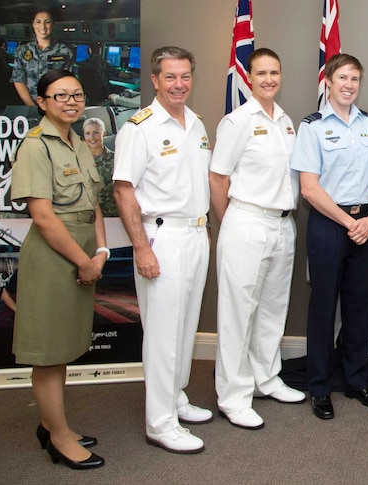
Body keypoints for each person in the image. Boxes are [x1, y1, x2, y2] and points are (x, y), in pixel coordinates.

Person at [113, 46, 212, 454]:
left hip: (196, 234)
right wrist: (141, 249)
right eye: (170, 77)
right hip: (162, 238)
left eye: (185, 76)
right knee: (161, 333)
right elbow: (123, 190)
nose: (179, 84)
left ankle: (174, 396)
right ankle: (159, 422)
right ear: (154, 80)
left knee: (185, 326)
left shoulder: (197, 124)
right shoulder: (140, 128)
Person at [11, 69, 106, 469]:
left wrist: (100, 251)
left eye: (77, 94)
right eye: (60, 95)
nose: (70, 101)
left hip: (84, 253)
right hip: (55, 258)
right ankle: (59, 437)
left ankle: (51, 423)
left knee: (63, 347)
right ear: (43, 101)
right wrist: (84, 261)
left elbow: (95, 203)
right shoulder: (36, 146)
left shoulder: (79, 142)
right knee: (49, 353)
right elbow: (45, 218)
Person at [210, 48, 305, 430]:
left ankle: (266, 378)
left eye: (274, 72)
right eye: (261, 73)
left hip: (283, 224)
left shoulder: (285, 121)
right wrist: (229, 222)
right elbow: (218, 178)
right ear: (248, 77)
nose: (268, 79)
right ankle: (233, 397)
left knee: (272, 309)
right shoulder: (237, 122)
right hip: (247, 221)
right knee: (238, 314)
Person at [293, 53, 368, 420]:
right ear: (328, 81)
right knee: (323, 308)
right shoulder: (312, 127)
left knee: (360, 306)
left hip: (367, 224)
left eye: (355, 79)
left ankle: (356, 380)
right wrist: (350, 223)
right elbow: (309, 189)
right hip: (330, 226)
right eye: (342, 78)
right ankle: (319, 387)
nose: (349, 85)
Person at [11, 10, 74, 107]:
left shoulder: (65, 51)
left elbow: (69, 83)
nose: (43, 27)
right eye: (38, 22)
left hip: (56, 106)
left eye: (47, 22)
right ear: (33, 24)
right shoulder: (23, 51)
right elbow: (18, 80)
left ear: (53, 24)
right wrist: (33, 107)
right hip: (30, 106)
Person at [83, 118, 117, 217]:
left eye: (96, 132)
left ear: (104, 133)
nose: (92, 137)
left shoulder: (117, 160)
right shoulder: (77, 160)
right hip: (87, 218)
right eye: (88, 133)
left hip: (112, 217)